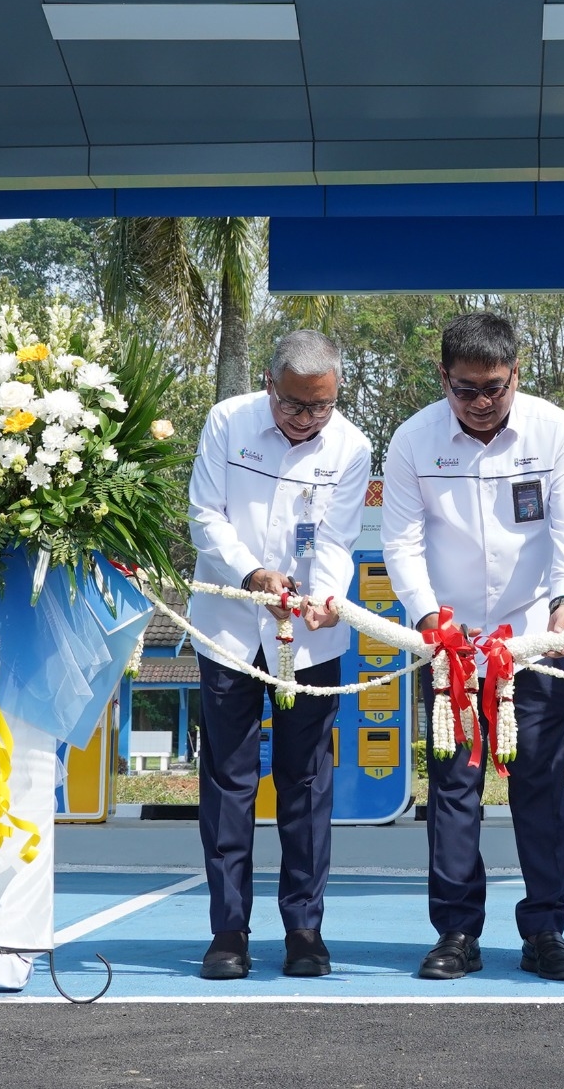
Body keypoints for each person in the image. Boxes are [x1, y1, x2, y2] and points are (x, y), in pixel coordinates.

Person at [379, 311, 564, 982]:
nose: (480, 403)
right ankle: (456, 933)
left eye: (494, 388)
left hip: (532, 641)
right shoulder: (413, 440)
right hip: (448, 645)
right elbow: (402, 543)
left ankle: (546, 932)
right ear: (443, 376)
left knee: (540, 789)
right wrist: (428, 617)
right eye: (465, 389)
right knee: (453, 791)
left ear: (516, 375)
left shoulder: (552, 428)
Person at [184, 328, 373, 980]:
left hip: (310, 638)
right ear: (270, 387)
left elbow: (339, 539)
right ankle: (229, 932)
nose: (308, 420)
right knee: (230, 783)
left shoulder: (351, 445)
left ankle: (304, 931)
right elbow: (205, 516)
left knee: (306, 784)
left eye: (321, 406)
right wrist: (254, 575)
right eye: (295, 406)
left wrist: (325, 594)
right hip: (231, 630)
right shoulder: (227, 421)